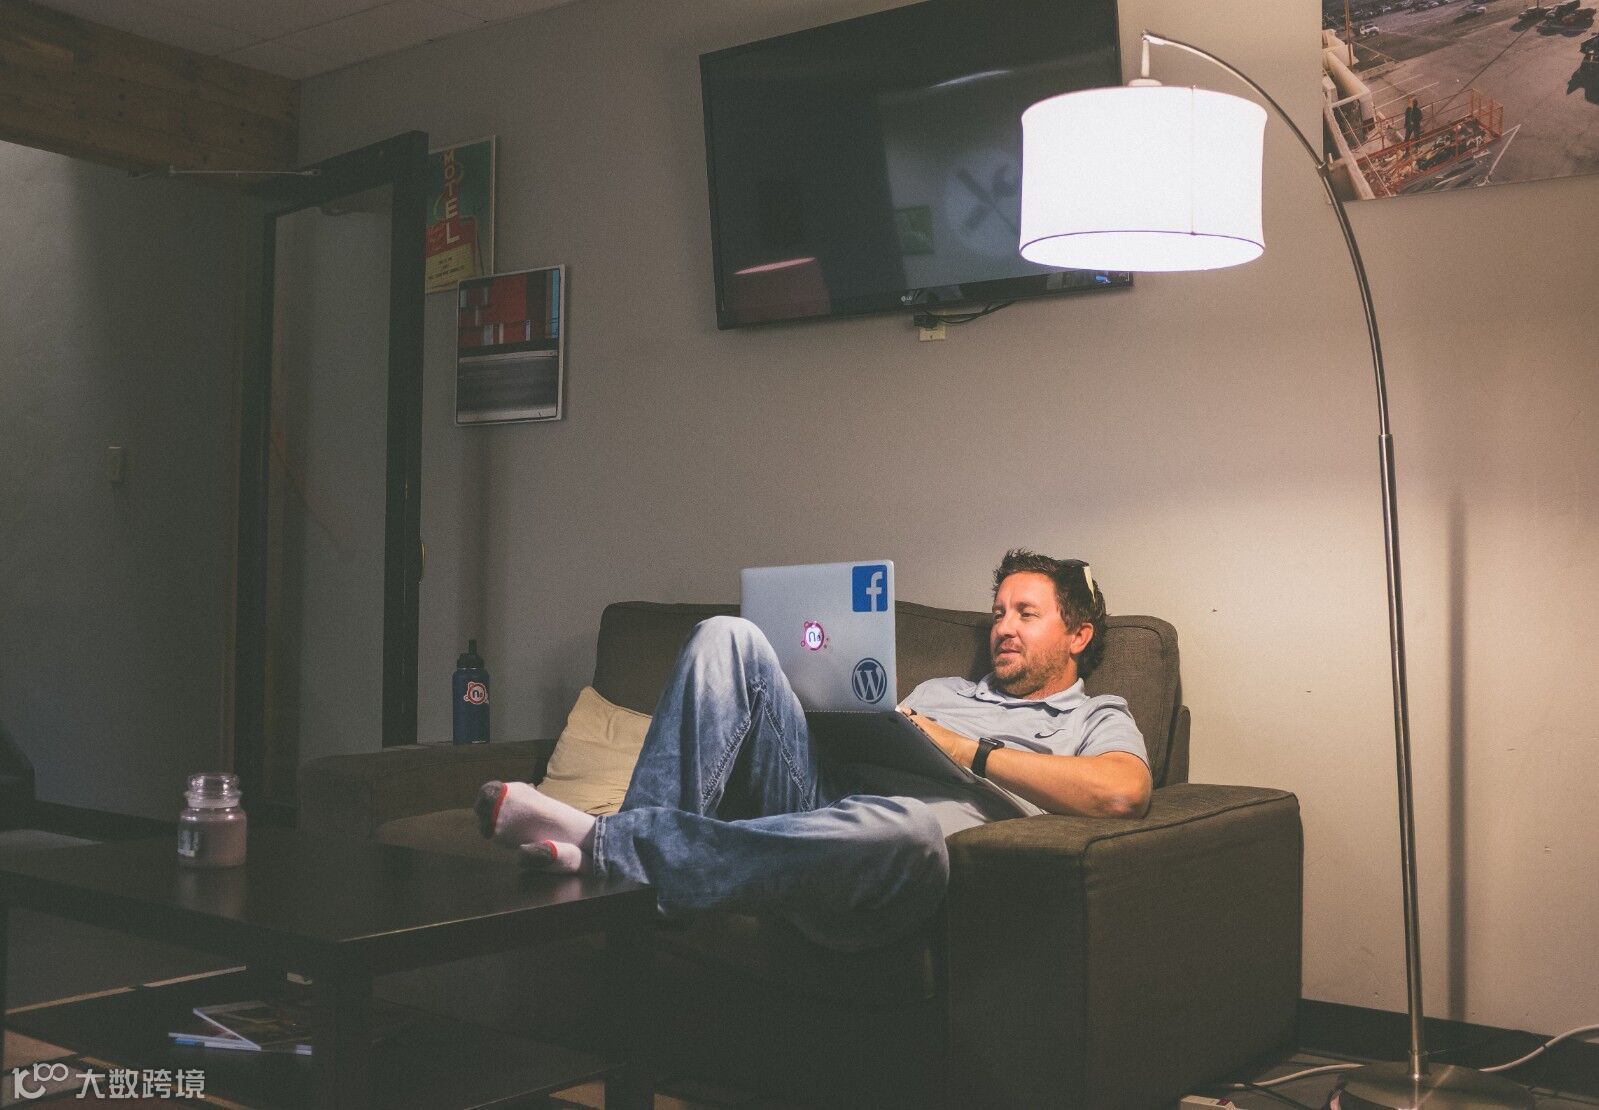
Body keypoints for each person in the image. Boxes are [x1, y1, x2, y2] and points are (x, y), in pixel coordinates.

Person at [475, 549, 1152, 950]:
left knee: (909, 825)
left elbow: (1121, 793)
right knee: (726, 636)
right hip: (815, 799)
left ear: (1078, 635)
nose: (1003, 627)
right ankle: (629, 862)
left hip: (884, 859)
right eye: (999, 612)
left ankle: (609, 848)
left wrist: (964, 748)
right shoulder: (941, 689)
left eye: (1026, 614)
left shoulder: (1093, 715)